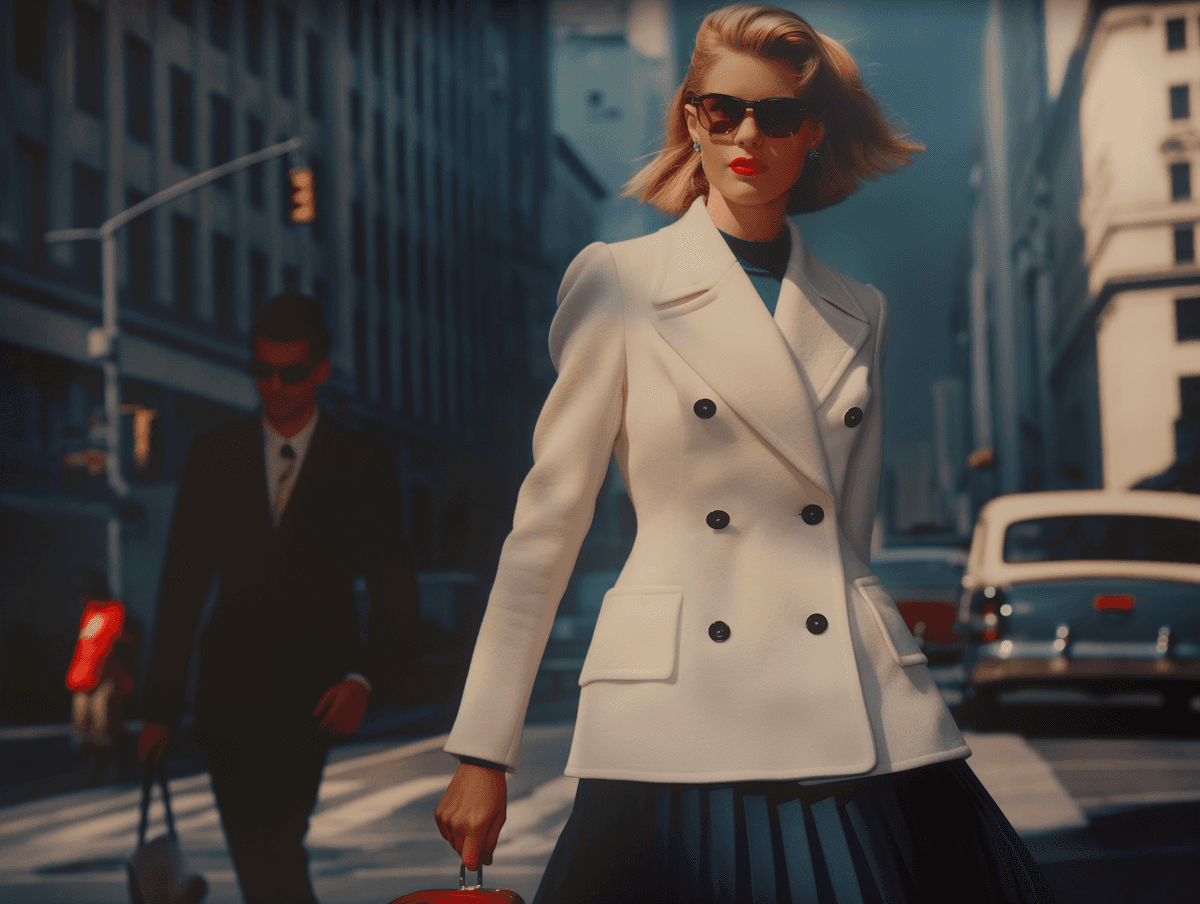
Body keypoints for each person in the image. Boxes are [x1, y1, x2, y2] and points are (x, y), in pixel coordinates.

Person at [434, 6, 1055, 903]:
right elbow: (546, 528)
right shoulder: (618, 281)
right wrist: (483, 748)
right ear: (692, 118)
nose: (746, 136)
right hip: (678, 707)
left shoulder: (860, 311)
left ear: (815, 134)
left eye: (777, 116)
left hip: (846, 707)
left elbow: (847, 536)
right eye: (722, 111)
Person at [137, 293, 420, 904]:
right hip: (226, 703)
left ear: (320, 371)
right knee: (261, 857)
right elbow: (182, 583)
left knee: (276, 849)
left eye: (290, 372)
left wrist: (363, 679)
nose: (274, 386)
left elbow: (396, 588)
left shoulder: (361, 462)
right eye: (261, 370)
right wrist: (159, 707)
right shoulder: (212, 456)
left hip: (310, 701)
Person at [65, 568, 137, 784]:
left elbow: (115, 646)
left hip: (107, 678)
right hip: (87, 679)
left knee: (106, 727)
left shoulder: (114, 611)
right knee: (86, 728)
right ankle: (95, 770)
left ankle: (117, 767)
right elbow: (84, 648)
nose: (81, 599)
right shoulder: (89, 614)